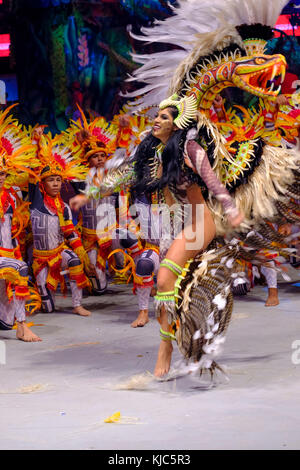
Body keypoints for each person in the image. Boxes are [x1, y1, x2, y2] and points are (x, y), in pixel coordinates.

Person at [70, 95, 244, 376]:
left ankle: (165, 349)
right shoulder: (152, 154)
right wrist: (88, 195)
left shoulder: (190, 149)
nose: (157, 119)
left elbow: (213, 181)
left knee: (163, 277)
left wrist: (230, 208)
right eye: (157, 115)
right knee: (166, 289)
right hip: (171, 228)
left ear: (176, 124)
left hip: (198, 223)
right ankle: (179, 338)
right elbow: (123, 177)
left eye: (164, 117)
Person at [30, 134, 92, 316]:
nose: (56, 184)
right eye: (51, 180)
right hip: (41, 258)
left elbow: (70, 232)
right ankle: (42, 293)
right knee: (48, 309)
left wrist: (81, 252)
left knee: (74, 260)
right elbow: (33, 173)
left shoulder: (63, 207)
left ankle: (77, 305)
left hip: (58, 251)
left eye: (58, 180)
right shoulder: (36, 201)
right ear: (43, 184)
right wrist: (36, 143)